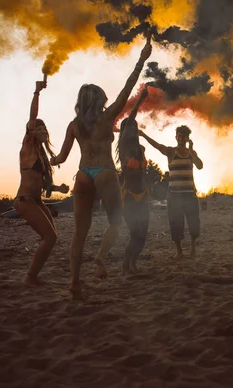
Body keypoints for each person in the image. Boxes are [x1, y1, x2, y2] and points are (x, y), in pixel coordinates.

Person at [51, 35, 153, 298]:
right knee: (116, 222)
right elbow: (128, 87)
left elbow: (62, 157)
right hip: (105, 172)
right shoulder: (107, 117)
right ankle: (100, 257)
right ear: (98, 102)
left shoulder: (74, 125)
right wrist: (141, 59)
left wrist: (49, 161)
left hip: (83, 174)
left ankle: (74, 283)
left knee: (79, 233)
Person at [14, 79, 69, 287]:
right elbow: (32, 117)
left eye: (45, 129)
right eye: (39, 129)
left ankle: (34, 274)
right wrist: (37, 93)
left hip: (37, 201)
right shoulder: (28, 147)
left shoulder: (42, 156)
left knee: (51, 236)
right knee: (50, 238)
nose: (43, 131)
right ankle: (30, 277)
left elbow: (43, 184)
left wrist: (59, 189)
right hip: (25, 200)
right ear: (31, 132)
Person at [139, 125, 203, 259]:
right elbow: (157, 145)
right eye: (179, 135)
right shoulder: (171, 152)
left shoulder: (192, 153)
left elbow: (200, 166)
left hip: (190, 195)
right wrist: (144, 135)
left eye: (183, 136)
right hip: (174, 196)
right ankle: (179, 251)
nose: (181, 138)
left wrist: (191, 150)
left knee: (193, 223)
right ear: (176, 137)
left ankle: (192, 248)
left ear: (187, 138)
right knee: (175, 223)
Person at [116, 86, 150, 274]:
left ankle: (132, 262)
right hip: (128, 196)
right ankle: (126, 264)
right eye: (130, 127)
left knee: (142, 235)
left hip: (143, 195)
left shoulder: (141, 149)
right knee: (134, 233)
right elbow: (130, 119)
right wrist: (140, 100)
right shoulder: (123, 147)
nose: (133, 129)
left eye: (134, 127)